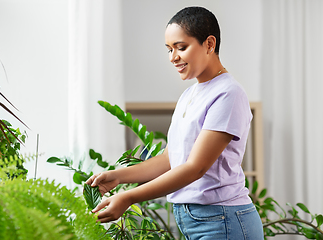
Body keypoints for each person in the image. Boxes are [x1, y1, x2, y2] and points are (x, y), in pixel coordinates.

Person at [86, 6, 264, 240]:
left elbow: (195, 168)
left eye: (181, 48)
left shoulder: (228, 93)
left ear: (209, 44)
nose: (173, 57)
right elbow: (171, 160)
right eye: (169, 50)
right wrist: (119, 176)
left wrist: (128, 197)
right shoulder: (189, 95)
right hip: (200, 221)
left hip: (223, 220)